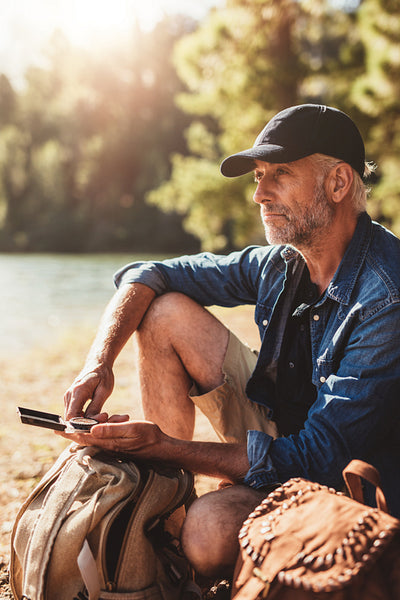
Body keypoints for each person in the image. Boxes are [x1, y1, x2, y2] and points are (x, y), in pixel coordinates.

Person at [62, 104, 400, 580]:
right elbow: (149, 273)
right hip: (286, 432)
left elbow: (320, 456)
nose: (259, 194)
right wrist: (97, 365)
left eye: (279, 174)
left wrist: (165, 446)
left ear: (339, 183)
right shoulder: (282, 262)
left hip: (351, 485)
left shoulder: (386, 297)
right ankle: (165, 513)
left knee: (210, 532)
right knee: (164, 311)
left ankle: (189, 524)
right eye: (258, 176)